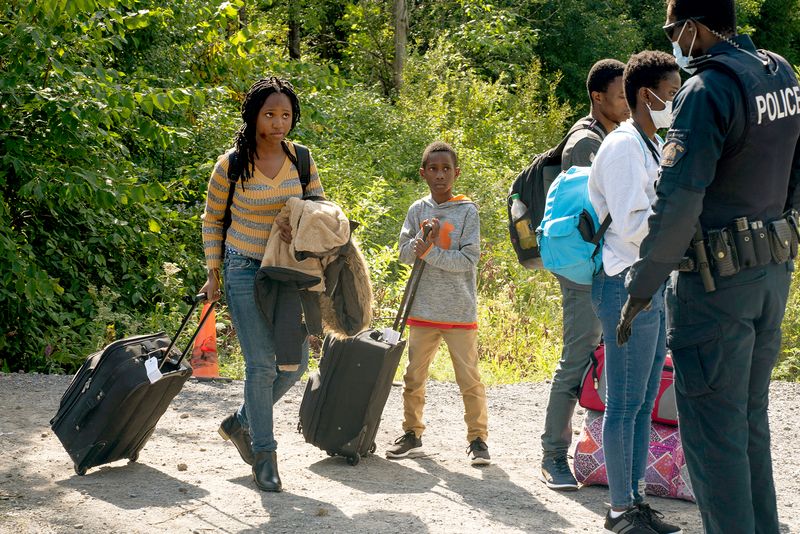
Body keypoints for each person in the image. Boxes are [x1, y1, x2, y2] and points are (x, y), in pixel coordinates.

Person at [620, 1, 800, 532]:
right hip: (770, 273)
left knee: (714, 438)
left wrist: (642, 286)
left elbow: (678, 201)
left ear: (693, 29)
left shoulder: (705, 91)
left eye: (675, 32)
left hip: (717, 287)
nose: (676, 42)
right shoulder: (779, 73)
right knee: (747, 424)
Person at [201, 77, 325, 492]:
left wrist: (303, 225)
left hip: (285, 272)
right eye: (269, 114)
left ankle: (240, 422)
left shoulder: (302, 160)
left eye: (285, 115)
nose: (278, 122)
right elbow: (213, 219)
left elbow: (322, 209)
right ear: (254, 115)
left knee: (295, 365)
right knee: (260, 365)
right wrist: (212, 273)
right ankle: (264, 456)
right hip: (241, 268)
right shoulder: (232, 164)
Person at [588, 51, 682, 534]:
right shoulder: (626, 146)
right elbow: (631, 224)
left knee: (643, 403)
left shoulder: (650, 141)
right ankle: (620, 510)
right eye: (670, 93)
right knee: (624, 403)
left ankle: (635, 501)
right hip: (625, 285)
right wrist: (682, 232)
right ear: (647, 94)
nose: (675, 100)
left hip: (649, 283)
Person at [540, 58, 630, 490]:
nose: (629, 104)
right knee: (576, 361)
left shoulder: (613, 136)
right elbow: (591, 216)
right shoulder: (585, 144)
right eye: (621, 96)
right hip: (585, 272)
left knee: (608, 360)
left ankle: (598, 454)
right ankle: (553, 455)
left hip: (605, 267)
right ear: (598, 98)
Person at [385, 141, 491, 466]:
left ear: (456, 173)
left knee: (468, 378)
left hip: (459, 311)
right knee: (413, 377)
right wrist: (418, 243)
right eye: (433, 169)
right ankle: (412, 434)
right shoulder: (417, 210)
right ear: (423, 173)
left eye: (446, 169)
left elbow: (469, 259)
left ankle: (478, 441)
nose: (440, 175)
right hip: (422, 310)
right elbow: (404, 253)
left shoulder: (467, 211)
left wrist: (430, 253)